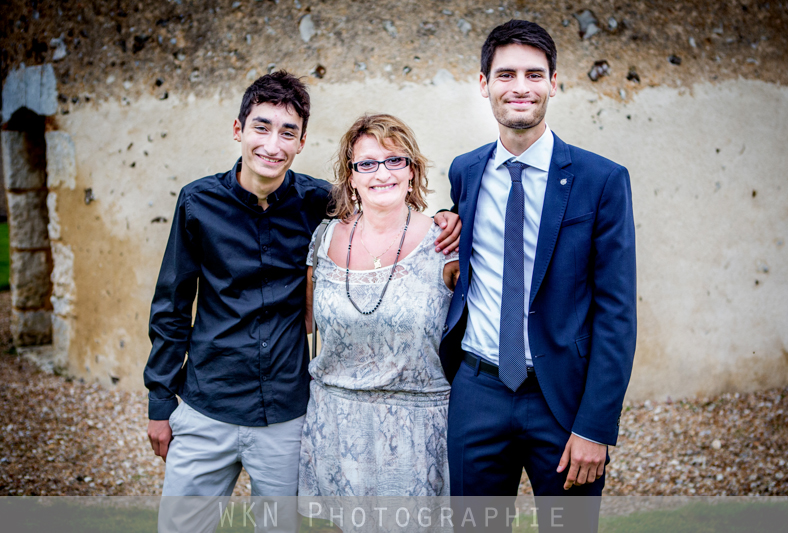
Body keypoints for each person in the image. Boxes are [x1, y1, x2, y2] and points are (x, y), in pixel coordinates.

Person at [143, 73, 460, 528]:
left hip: (287, 417)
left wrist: (450, 217)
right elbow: (171, 307)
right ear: (239, 130)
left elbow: (385, 197)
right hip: (206, 406)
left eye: (287, 132)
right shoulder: (196, 203)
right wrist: (160, 402)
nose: (272, 144)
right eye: (261, 127)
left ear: (301, 142)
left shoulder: (319, 203)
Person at [439, 20, 637, 531]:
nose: (520, 87)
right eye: (505, 74)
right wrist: (446, 228)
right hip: (477, 390)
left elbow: (617, 312)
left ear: (554, 82)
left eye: (534, 74)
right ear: (484, 84)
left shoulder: (602, 181)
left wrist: (596, 425)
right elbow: (464, 243)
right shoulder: (465, 171)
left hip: (561, 399)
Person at [298, 114, 459, 505]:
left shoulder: (447, 244)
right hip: (333, 425)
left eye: (394, 160)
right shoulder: (323, 239)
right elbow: (304, 323)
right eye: (366, 163)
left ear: (412, 171)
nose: (381, 173)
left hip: (419, 433)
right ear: (351, 177)